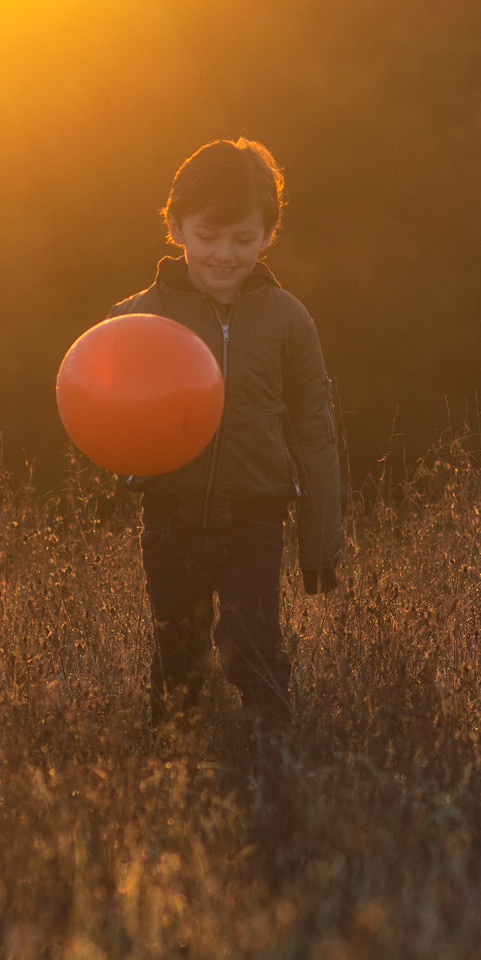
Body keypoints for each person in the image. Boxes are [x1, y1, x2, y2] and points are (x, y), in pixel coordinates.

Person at [109, 139, 343, 735]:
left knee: (256, 648)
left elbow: (314, 428)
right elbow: (103, 413)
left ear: (268, 235)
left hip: (255, 519)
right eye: (208, 235)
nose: (224, 254)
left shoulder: (288, 318)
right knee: (178, 661)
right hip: (171, 519)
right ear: (175, 225)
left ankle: (276, 770)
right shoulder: (136, 319)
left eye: (244, 238)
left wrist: (319, 542)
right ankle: (172, 775)